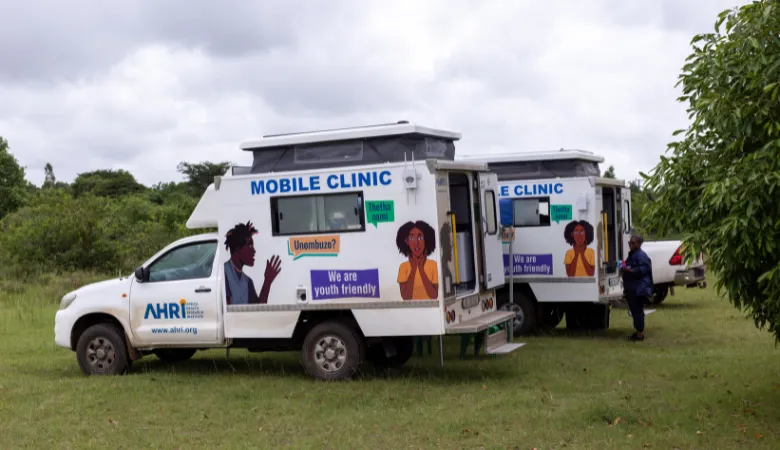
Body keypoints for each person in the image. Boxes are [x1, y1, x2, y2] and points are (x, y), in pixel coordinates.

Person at [223, 221, 282, 305]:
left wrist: (267, 281)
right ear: (237, 249)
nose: (253, 251)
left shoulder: (247, 281)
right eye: (250, 246)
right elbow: (226, 309)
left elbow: (258, 308)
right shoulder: (224, 272)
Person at [621, 234, 653, 341]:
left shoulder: (641, 256)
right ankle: (638, 332)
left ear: (638, 244)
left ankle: (640, 334)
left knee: (637, 311)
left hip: (638, 288)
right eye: (630, 243)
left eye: (632, 243)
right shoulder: (633, 255)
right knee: (635, 311)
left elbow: (644, 269)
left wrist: (629, 270)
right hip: (633, 287)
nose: (630, 245)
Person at [396, 220, 439, 300]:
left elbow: (434, 295)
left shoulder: (433, 265)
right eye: (412, 238)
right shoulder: (403, 267)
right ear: (406, 241)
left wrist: (421, 269)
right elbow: (406, 297)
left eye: (420, 237)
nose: (416, 243)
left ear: (426, 240)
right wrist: (413, 269)